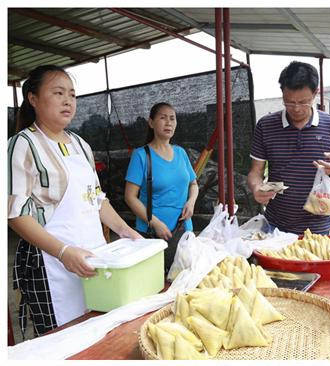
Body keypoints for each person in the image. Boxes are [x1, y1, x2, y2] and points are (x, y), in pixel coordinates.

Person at [8, 65, 141, 336]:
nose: (68, 100)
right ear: (33, 99)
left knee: (99, 330)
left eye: (72, 94)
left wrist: (126, 232)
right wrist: (63, 252)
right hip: (50, 262)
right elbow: (15, 214)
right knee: (63, 339)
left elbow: (96, 199)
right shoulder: (22, 144)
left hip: (94, 257)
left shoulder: (81, 144)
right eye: (58, 93)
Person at [247, 61, 330, 235]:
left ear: (315, 93)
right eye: (289, 102)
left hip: (318, 228)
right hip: (275, 226)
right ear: (282, 93)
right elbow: (255, 172)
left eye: (303, 102)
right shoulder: (266, 126)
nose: (296, 109)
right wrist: (256, 188)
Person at [124, 103, 198, 265]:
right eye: (163, 118)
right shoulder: (141, 155)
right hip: (151, 234)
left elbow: (193, 184)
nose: (168, 122)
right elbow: (130, 197)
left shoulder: (181, 152)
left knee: (183, 280)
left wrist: (191, 202)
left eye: (172, 118)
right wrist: (155, 223)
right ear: (151, 123)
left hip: (183, 230)